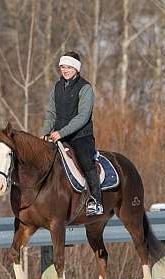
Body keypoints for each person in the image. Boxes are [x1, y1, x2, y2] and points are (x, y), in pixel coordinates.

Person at [40, 51, 103, 216]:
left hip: (81, 136)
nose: (65, 70)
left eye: (68, 67)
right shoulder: (57, 87)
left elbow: (83, 116)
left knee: (84, 159)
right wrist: (44, 133)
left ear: (76, 68)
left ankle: (96, 201)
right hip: (58, 135)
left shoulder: (85, 88)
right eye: (62, 67)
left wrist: (61, 133)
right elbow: (51, 113)